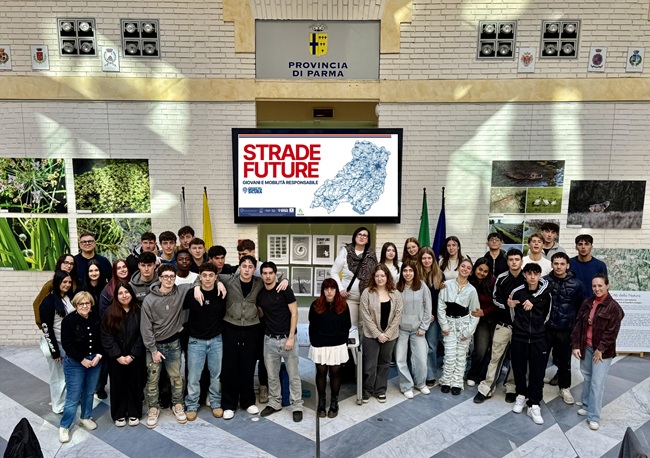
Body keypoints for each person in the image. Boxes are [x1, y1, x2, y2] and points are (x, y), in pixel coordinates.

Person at [207, 255, 286, 420]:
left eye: (250, 267)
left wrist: (285, 280)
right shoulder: (228, 280)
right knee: (229, 367)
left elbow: (276, 279)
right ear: (239, 267)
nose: (247, 269)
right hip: (230, 326)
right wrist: (218, 282)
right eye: (244, 266)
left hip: (251, 328)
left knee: (248, 365)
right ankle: (229, 404)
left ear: (254, 269)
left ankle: (248, 401)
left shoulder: (259, 282)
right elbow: (207, 277)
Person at [140, 264, 196, 428]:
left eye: (172, 276)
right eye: (166, 276)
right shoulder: (149, 300)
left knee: (176, 377)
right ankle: (153, 408)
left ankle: (177, 405)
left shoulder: (180, 291)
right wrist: (153, 350)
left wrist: (214, 284)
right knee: (152, 380)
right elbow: (145, 327)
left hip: (173, 344)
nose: (169, 279)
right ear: (159, 278)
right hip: (154, 346)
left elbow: (201, 281)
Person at [571, 274, 624, 431]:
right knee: (587, 377)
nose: (597, 289)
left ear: (607, 286)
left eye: (600, 285)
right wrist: (576, 345)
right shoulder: (588, 302)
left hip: (602, 351)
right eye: (594, 286)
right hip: (586, 347)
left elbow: (612, 332)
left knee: (597, 382)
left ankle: (593, 416)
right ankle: (586, 405)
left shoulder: (614, 307)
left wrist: (600, 349)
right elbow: (579, 325)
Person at [474, 248, 524, 404]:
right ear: (507, 261)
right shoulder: (501, 278)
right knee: (495, 357)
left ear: (521, 261)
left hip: (521, 327)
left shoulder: (527, 277)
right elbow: (495, 298)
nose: (514, 262)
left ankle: (511, 387)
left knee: (516, 359)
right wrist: (507, 304)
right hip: (503, 325)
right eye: (511, 259)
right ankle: (487, 388)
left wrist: (520, 305)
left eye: (517, 259)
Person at [257, 262, 304, 422]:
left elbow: (294, 313)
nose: (268, 276)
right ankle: (275, 403)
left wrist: (290, 337)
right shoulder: (260, 294)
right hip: (270, 340)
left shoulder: (285, 290)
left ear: (275, 274)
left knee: (293, 375)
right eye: (265, 273)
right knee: (272, 376)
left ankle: (297, 405)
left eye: (271, 273)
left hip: (287, 339)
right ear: (261, 275)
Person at [508, 263, 551, 425]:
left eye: (536, 274)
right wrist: (519, 328)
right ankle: (520, 395)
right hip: (519, 337)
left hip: (539, 338)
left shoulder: (546, 293)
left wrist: (540, 329)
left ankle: (534, 404)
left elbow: (548, 314)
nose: (532, 277)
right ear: (524, 275)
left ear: (540, 275)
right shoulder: (517, 292)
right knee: (518, 369)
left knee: (537, 372)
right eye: (529, 273)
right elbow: (512, 313)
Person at [183, 263, 226, 420]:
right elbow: (183, 314)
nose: (207, 278)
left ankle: (215, 403)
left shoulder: (221, 293)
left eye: (211, 275)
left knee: (216, 375)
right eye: (204, 275)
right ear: (200, 277)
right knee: (194, 377)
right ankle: (192, 405)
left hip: (216, 341)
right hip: (196, 341)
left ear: (216, 277)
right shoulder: (191, 293)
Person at [58, 291, 103, 443]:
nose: (84, 306)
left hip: (95, 361)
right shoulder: (69, 321)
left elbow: (102, 338)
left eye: (87, 303)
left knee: (89, 392)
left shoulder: (96, 317)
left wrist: (98, 356)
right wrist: (81, 359)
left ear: (91, 304)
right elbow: (67, 344)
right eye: (81, 303)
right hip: (75, 363)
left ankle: (85, 417)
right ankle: (64, 426)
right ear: (76, 305)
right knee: (73, 396)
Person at [543, 252, 586, 401]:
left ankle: (564, 388)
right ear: (551, 265)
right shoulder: (544, 282)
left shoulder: (577, 284)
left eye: (562, 264)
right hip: (546, 329)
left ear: (567, 265)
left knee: (564, 362)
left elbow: (581, 309)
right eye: (556, 263)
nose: (559, 266)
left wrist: (576, 330)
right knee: (540, 359)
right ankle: (535, 388)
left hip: (565, 329)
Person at [101, 282, 144, 427]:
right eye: (120, 293)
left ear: (131, 293)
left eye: (127, 292)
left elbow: (143, 334)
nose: (124, 296)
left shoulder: (139, 310)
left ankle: (134, 412)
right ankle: (119, 414)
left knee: (134, 384)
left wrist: (132, 355)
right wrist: (118, 356)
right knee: (117, 385)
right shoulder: (109, 312)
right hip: (116, 358)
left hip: (134, 357)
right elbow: (106, 336)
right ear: (116, 296)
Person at [309, 278, 351, 419]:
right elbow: (312, 325)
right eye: (326, 289)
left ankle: (334, 402)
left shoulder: (343, 305)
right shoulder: (316, 304)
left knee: (335, 373)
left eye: (332, 288)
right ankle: (321, 402)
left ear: (336, 290)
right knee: (321, 372)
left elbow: (347, 325)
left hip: (337, 344)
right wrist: (314, 341)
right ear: (323, 290)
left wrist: (343, 342)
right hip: (320, 344)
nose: (329, 291)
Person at [360, 264, 403, 403]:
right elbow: (365, 315)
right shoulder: (367, 292)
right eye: (377, 276)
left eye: (382, 276)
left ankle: (380, 390)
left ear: (387, 277)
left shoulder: (395, 293)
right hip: (371, 335)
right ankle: (367, 390)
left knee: (384, 363)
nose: (380, 278)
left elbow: (398, 315)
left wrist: (387, 334)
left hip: (390, 336)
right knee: (370, 365)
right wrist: (377, 333)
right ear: (373, 277)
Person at [438, 259, 480, 395]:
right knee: (450, 354)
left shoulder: (472, 290)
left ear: (471, 272)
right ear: (458, 268)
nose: (465, 269)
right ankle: (446, 380)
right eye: (463, 266)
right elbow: (441, 306)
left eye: (468, 268)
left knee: (461, 355)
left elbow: (475, 313)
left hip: (464, 324)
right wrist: (444, 325)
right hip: (449, 323)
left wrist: (468, 331)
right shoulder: (447, 285)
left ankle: (457, 382)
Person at [39, 271, 75, 414]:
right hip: (55, 344)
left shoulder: (68, 297)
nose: (67, 285)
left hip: (66, 343)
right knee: (58, 377)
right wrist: (54, 352)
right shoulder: (48, 302)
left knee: (67, 375)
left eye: (69, 282)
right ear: (57, 282)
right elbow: (47, 329)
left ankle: (66, 400)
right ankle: (58, 405)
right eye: (64, 282)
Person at [395, 260, 432, 399]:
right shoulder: (397, 287)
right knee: (400, 359)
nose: (408, 273)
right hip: (401, 329)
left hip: (418, 330)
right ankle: (406, 386)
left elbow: (428, 308)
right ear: (402, 272)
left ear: (415, 272)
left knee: (421, 359)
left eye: (411, 270)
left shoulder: (422, 286)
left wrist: (424, 327)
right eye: (405, 271)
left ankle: (420, 384)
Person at [331, 227, 378, 329]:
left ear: (368, 239)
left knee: (365, 327)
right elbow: (334, 272)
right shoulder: (345, 251)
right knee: (351, 327)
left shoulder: (371, 254)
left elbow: (376, 274)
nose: (362, 237)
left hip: (367, 298)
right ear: (355, 237)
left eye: (365, 235)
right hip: (349, 298)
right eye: (359, 234)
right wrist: (340, 289)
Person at [466, 258, 497, 386]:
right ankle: (473, 374)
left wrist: (485, 311)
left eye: (485, 271)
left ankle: (484, 375)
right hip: (480, 321)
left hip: (494, 318)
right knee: (480, 349)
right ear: (475, 268)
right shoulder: (469, 281)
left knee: (493, 350)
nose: (482, 273)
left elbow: (497, 302)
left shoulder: (493, 281)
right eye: (480, 269)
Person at [417, 246, 445, 387]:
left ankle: (430, 375)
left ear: (433, 259)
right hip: (418, 316)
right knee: (417, 346)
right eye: (424, 258)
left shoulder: (439, 274)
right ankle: (418, 374)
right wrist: (424, 315)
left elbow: (440, 299)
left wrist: (432, 315)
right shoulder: (415, 274)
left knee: (431, 346)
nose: (427, 261)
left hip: (433, 317)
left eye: (429, 258)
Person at [33, 254, 78, 329]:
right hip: (55, 326)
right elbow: (37, 303)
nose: (69, 266)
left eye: (71, 264)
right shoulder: (50, 285)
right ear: (60, 264)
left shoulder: (76, 283)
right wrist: (42, 324)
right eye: (66, 263)